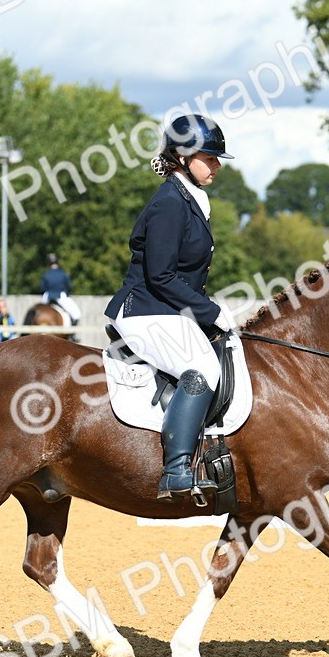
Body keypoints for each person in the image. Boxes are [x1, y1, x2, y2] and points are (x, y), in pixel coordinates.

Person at [104, 113, 235, 501]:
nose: (216, 167)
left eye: (216, 160)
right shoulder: (170, 204)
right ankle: (176, 469)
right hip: (145, 310)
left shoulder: (190, 199)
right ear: (182, 157)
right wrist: (210, 312)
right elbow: (160, 275)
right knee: (203, 367)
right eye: (209, 159)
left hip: (168, 310)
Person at [39, 253, 82, 326]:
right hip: (61, 296)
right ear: (57, 262)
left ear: (48, 264)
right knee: (76, 314)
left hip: (47, 297)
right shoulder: (63, 274)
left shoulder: (46, 275)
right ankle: (71, 334)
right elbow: (70, 287)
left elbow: (42, 289)